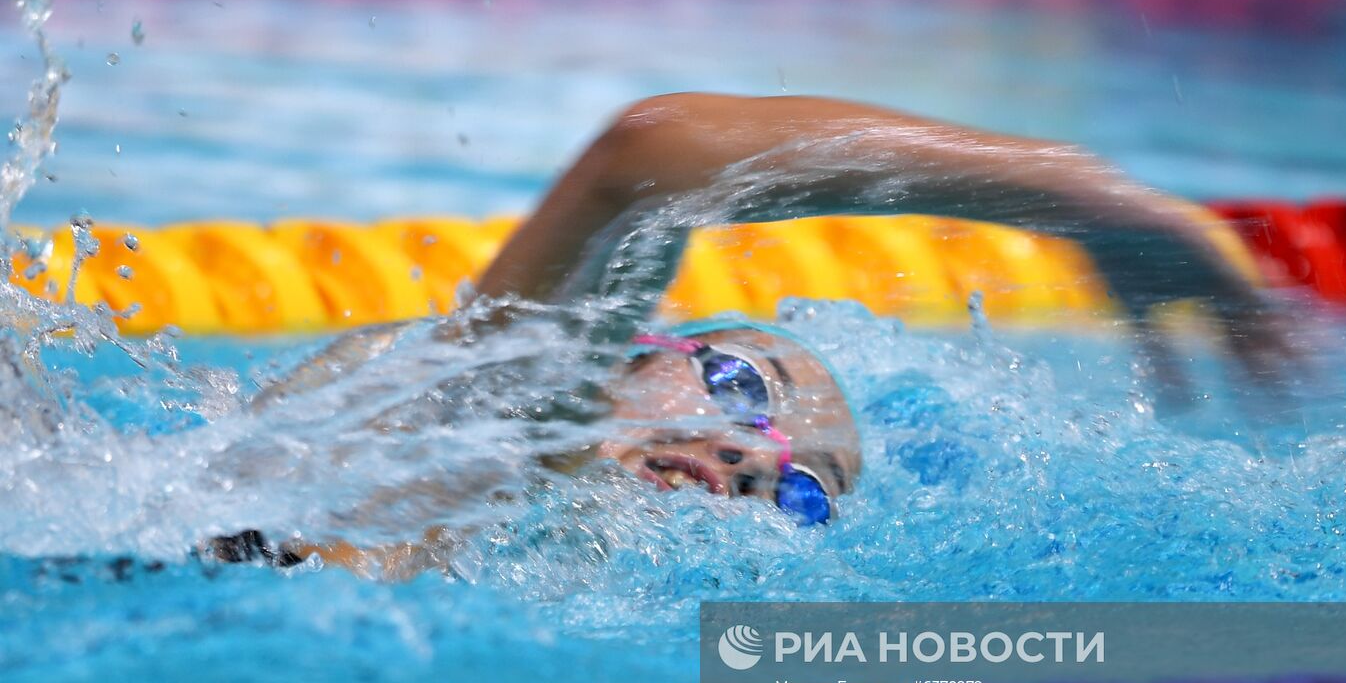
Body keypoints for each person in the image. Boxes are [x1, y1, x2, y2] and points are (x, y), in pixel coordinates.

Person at [214, 93, 1288, 576]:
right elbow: (649, 155)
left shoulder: (524, 546)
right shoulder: (506, 407)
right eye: (737, 384)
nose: (755, 454)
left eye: (802, 490)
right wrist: (1073, 192)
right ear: (644, 343)